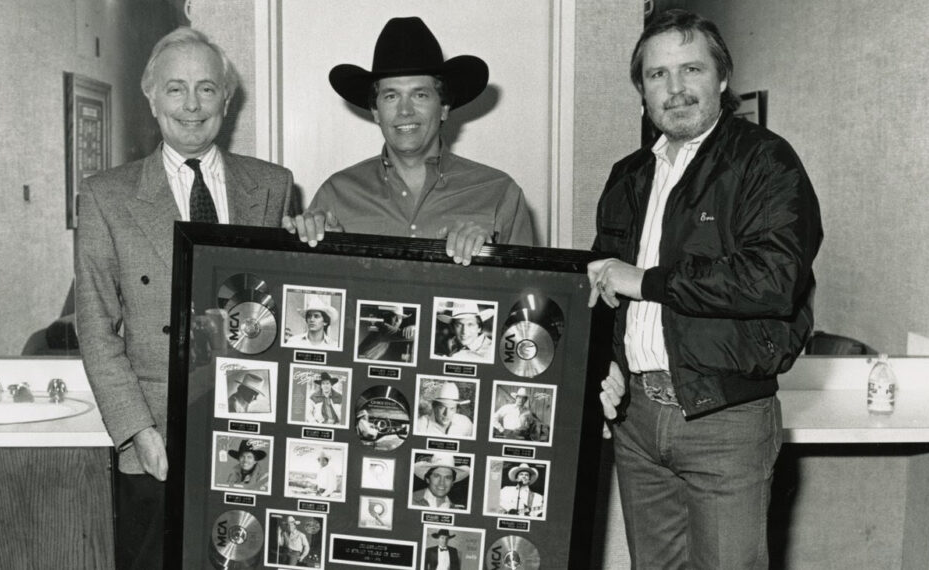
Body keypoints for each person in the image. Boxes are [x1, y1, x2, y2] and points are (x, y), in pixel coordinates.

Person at [587, 10, 822, 568]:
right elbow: (604, 287)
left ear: (721, 78)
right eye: (656, 75)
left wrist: (642, 280)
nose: (675, 89)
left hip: (725, 419)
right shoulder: (629, 174)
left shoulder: (765, 160)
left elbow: (774, 278)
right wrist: (608, 357)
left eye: (691, 69)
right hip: (637, 421)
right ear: (642, 91)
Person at [73, 27, 293, 570]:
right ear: (151, 98)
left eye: (207, 89)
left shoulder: (273, 186)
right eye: (175, 89)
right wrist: (136, 430)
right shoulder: (106, 195)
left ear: (227, 98)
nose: (192, 106)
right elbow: (96, 327)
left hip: (252, 428)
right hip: (157, 439)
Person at [282, 16, 535, 265]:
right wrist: (313, 252)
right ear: (376, 111)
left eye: (420, 95)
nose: (405, 111)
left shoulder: (500, 194)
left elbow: (527, 298)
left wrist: (490, 259)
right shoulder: (335, 195)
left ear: (444, 107)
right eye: (391, 96)